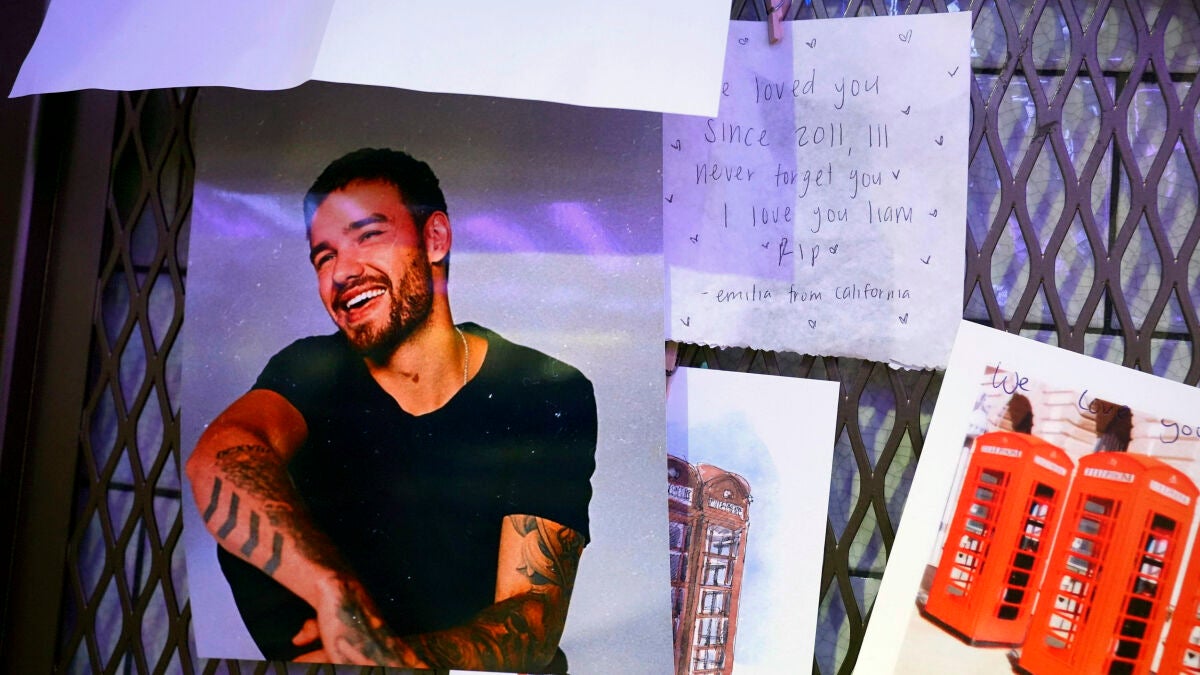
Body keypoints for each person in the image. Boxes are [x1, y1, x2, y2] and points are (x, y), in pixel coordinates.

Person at [185, 147, 597, 672]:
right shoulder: (311, 370)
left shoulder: (543, 390)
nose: (342, 271)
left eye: (368, 235)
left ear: (435, 239)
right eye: (324, 257)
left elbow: (531, 622)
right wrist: (336, 592)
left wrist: (388, 656)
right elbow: (221, 455)